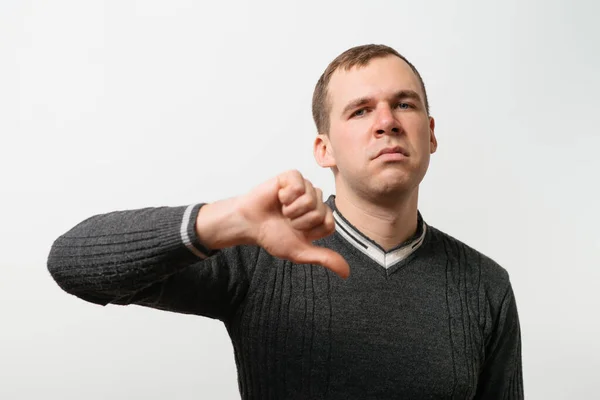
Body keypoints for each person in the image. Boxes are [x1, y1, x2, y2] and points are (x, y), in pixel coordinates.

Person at [47, 44, 523, 399]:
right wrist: (225, 220)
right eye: (360, 110)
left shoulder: (484, 286)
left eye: (404, 104)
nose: (387, 122)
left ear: (430, 133)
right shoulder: (261, 257)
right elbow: (72, 264)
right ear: (325, 149)